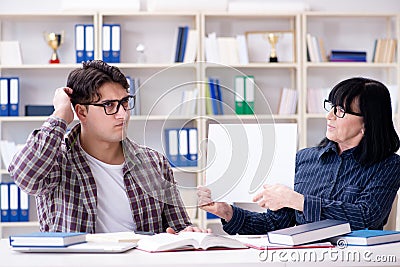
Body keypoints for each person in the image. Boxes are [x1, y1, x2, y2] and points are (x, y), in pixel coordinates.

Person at [8, 60, 203, 234]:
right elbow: (25, 177)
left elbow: (179, 227)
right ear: (81, 112)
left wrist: (188, 234)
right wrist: (60, 114)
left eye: (125, 102)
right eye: (109, 105)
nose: (123, 115)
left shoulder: (155, 163)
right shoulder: (56, 161)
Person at [198, 77, 400, 234]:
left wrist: (298, 201)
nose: (329, 116)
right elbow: (276, 224)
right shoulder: (304, 159)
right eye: (330, 107)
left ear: (367, 122)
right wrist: (227, 212)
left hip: (356, 259)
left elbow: (366, 217)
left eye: (340, 111)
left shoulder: (389, 165)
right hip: (303, 258)